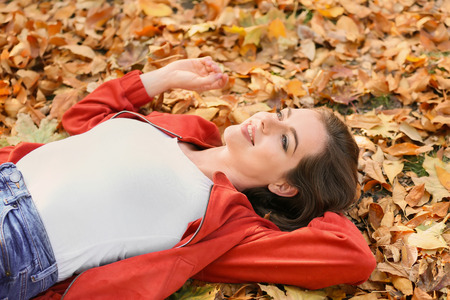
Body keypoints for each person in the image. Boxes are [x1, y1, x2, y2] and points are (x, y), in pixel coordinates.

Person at [0, 57, 376, 300]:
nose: (265, 120)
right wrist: (162, 78)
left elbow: (351, 258)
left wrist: (321, 194)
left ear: (283, 185)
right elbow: (82, 121)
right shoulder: (184, 129)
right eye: (283, 112)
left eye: (283, 140)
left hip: (19, 243)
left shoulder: (228, 225)